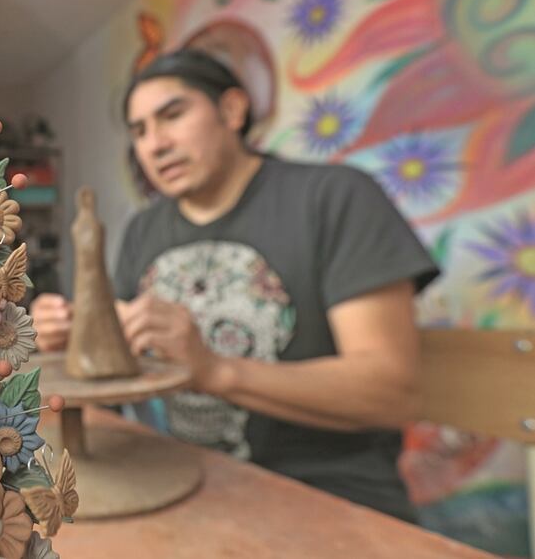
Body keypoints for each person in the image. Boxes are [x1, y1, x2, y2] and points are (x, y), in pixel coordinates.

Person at [31, 48, 438, 521]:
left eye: (173, 115)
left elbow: (392, 393)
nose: (154, 144)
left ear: (232, 110)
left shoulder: (335, 197)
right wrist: (74, 334)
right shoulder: (144, 228)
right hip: (181, 477)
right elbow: (123, 363)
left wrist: (214, 370)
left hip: (328, 496)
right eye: (139, 131)